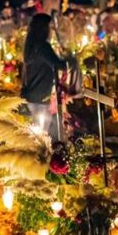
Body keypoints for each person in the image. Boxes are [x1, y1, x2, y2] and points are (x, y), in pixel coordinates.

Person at [21, 13, 68, 141]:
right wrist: (70, 58)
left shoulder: (31, 44)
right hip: (41, 95)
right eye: (49, 27)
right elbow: (59, 64)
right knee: (41, 136)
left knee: (37, 133)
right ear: (43, 29)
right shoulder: (42, 46)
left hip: (33, 93)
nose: (51, 31)